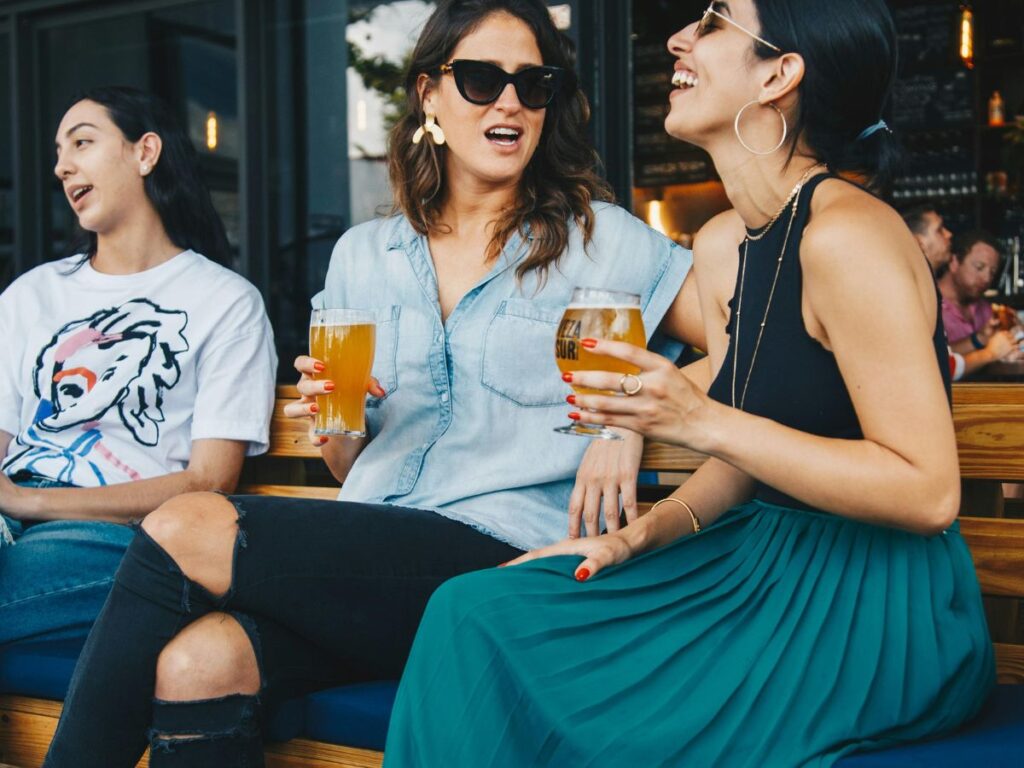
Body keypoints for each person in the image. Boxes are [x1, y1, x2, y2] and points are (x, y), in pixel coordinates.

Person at [43, 2, 704, 766]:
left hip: (506, 563)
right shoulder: (362, 254)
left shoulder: (599, 239)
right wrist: (345, 422)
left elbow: (739, 345)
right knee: (199, 663)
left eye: (534, 83)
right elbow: (346, 467)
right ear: (429, 95)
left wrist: (623, 421)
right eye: (484, 79)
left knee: (186, 522)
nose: (511, 102)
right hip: (374, 562)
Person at [385, 2, 995, 766]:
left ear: (780, 73)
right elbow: (747, 460)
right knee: (470, 612)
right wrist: (632, 537)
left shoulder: (849, 235)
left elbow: (928, 492)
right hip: (756, 563)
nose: (677, 39)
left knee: (605, 714)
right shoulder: (720, 245)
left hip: (874, 600)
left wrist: (699, 419)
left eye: (712, 22)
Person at [0, 86, 276, 648]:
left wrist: (30, 501)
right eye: (58, 152)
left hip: (114, 535)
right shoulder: (32, 294)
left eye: (82, 142)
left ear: (145, 153)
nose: (62, 166)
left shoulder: (225, 301)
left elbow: (209, 480)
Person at [901, 207, 1019, 378]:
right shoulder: (912, 294)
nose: (949, 234)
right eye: (940, 230)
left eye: (992, 272)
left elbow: (941, 355)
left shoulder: (927, 291)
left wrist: (980, 339)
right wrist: (990, 353)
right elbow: (937, 368)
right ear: (920, 243)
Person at [940, 231, 1023, 369]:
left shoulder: (986, 310)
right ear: (954, 262)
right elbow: (932, 358)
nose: (986, 279)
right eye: (979, 267)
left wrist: (1016, 338)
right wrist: (979, 341)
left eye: (992, 272)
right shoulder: (928, 304)